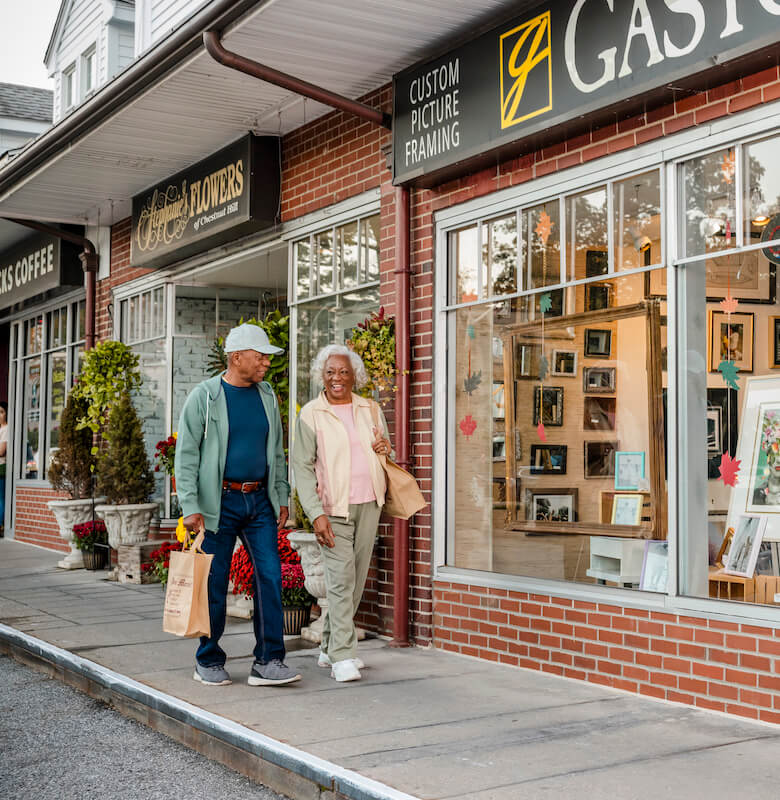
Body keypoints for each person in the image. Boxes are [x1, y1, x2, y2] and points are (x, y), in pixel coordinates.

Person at [175, 323, 300, 687]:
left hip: (259, 501)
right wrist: (190, 505)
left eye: (266, 358)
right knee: (214, 583)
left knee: (270, 577)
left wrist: (281, 496)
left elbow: (276, 451)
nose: (265, 363)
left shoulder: (267, 396)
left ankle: (268, 661)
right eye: (259, 356)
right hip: (219, 502)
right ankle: (208, 659)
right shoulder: (205, 396)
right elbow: (186, 455)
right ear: (236, 357)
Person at [292, 344, 392, 683]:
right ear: (322, 374)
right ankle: (343, 656)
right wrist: (315, 512)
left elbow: (383, 450)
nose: (337, 378)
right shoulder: (311, 413)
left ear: (354, 376)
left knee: (355, 581)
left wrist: (383, 448)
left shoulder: (370, 409)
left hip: (369, 502)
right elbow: (302, 468)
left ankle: (329, 645)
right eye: (331, 371)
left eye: (344, 372)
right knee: (339, 581)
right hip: (333, 509)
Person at [0, 401, 7, 537]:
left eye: (1, 412)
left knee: (1, 499)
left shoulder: (6, 429)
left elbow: (1, 451)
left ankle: (1, 525)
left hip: (2, 467)